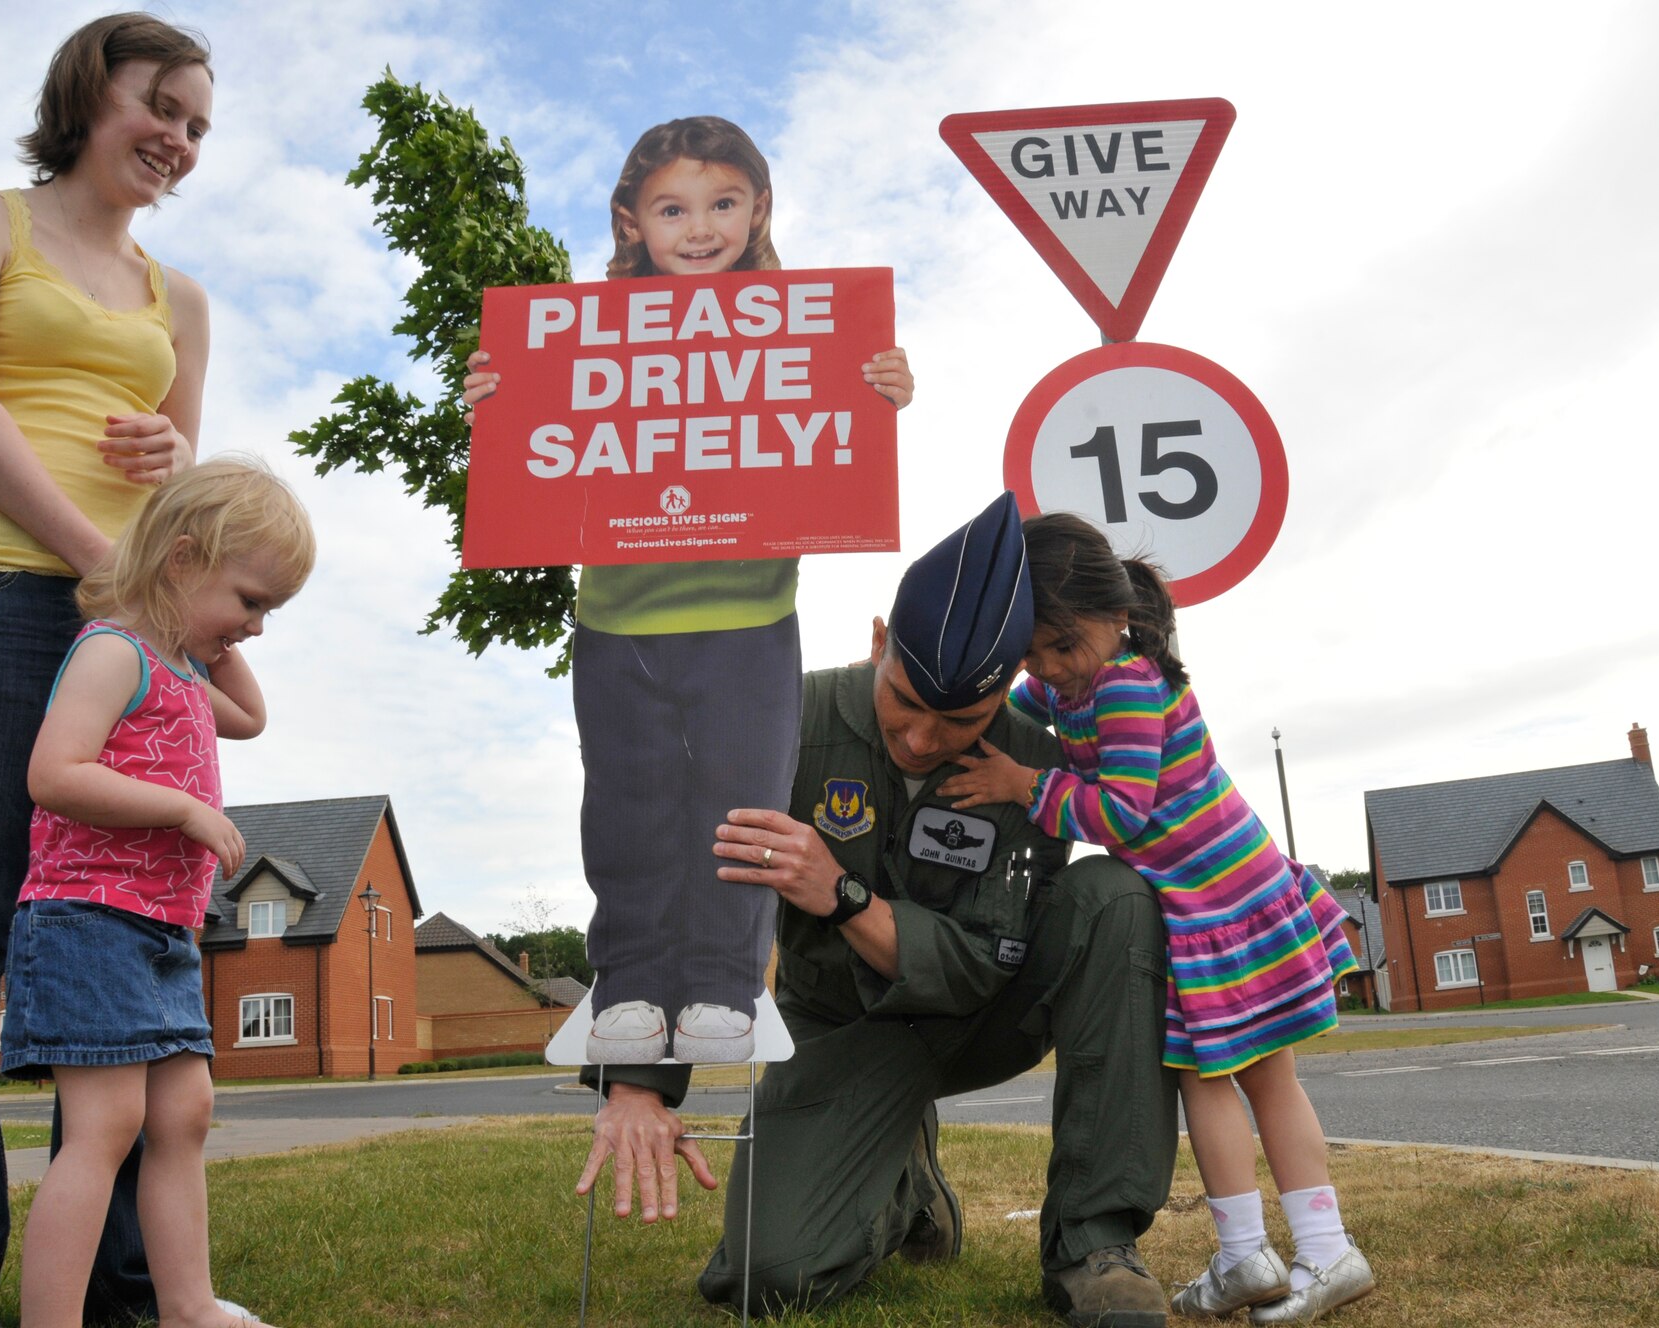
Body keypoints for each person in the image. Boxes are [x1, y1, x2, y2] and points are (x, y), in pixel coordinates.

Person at [583, 495, 1182, 1327]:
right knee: (765, 1278)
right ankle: (903, 1191)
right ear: (877, 643)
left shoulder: (1034, 761)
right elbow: (684, 874)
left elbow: (986, 957)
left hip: (982, 1017)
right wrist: (642, 1085)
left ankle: (1095, 1243)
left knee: (1116, 897)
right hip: (843, 1029)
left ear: (1006, 687)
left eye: (960, 720)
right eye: (906, 700)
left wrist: (841, 894)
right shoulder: (777, 722)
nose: (922, 739)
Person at [463, 115, 912, 1064]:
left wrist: (881, 387)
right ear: (632, 222)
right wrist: (499, 401)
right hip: (618, 618)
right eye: (673, 208)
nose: (699, 226)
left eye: (722, 203)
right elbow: (538, 439)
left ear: (758, 211)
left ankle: (722, 984)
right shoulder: (576, 335)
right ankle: (627, 982)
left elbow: (839, 430)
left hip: (750, 615)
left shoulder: (807, 323)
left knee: (740, 805)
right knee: (626, 804)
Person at [0, 13, 215, 1325]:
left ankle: (134, 1290)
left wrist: (166, 469)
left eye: (199, 126)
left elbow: (193, 484)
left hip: (129, 633)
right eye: (163, 106)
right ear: (91, 90)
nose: (180, 140)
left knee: (137, 933)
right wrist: (106, 567)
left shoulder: (179, 299)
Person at [939, 512, 1373, 1324]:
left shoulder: (1129, 684)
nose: (1048, 670)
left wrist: (1022, 786)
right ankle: (1245, 1255)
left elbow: (1127, 813)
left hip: (1232, 902)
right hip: (1194, 912)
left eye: (1060, 648)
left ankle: (1328, 1250)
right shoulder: (1073, 679)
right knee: (1202, 1077)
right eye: (1032, 652)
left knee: (1267, 1079)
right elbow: (1019, 701)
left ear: (1118, 616)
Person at [0, 458, 313, 1328]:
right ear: (180, 560)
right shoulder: (113, 650)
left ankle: (188, 1306)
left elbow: (249, 719)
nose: (255, 627)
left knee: (186, 1113)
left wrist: (214, 635)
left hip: (162, 932)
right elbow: (53, 774)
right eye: (250, 600)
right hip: (87, 917)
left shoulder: (179, 667)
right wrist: (181, 806)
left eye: (269, 610)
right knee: (105, 1126)